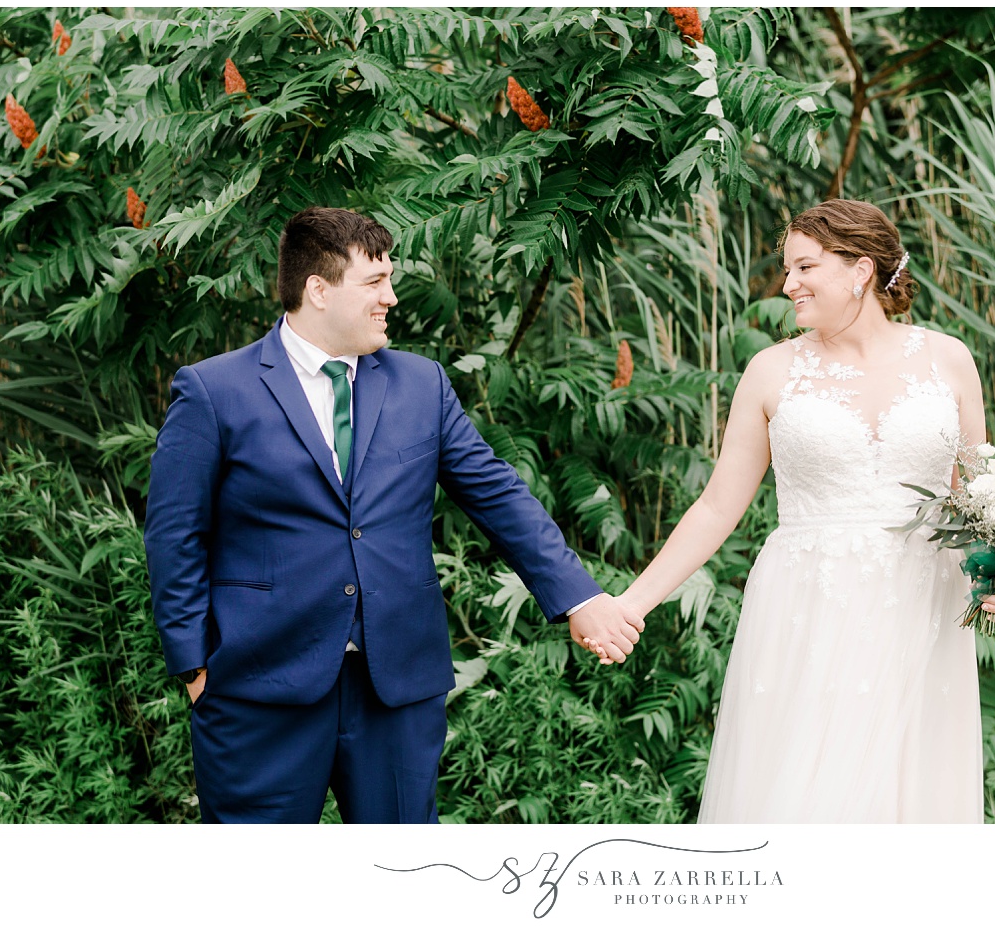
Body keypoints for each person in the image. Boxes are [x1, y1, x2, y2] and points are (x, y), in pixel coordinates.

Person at [144, 206, 644, 824]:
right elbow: (174, 536)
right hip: (258, 685)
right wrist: (193, 665)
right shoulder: (215, 390)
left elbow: (497, 494)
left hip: (397, 686)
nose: (392, 298)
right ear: (318, 290)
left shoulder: (421, 384)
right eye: (374, 283)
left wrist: (578, 597)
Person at [586, 199, 995, 822]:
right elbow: (715, 508)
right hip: (809, 605)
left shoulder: (948, 359)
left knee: (911, 795)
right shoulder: (771, 371)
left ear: (860, 269)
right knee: (808, 794)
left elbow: (977, 496)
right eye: (787, 270)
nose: (788, 285)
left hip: (923, 605)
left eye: (804, 267)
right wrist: (631, 604)